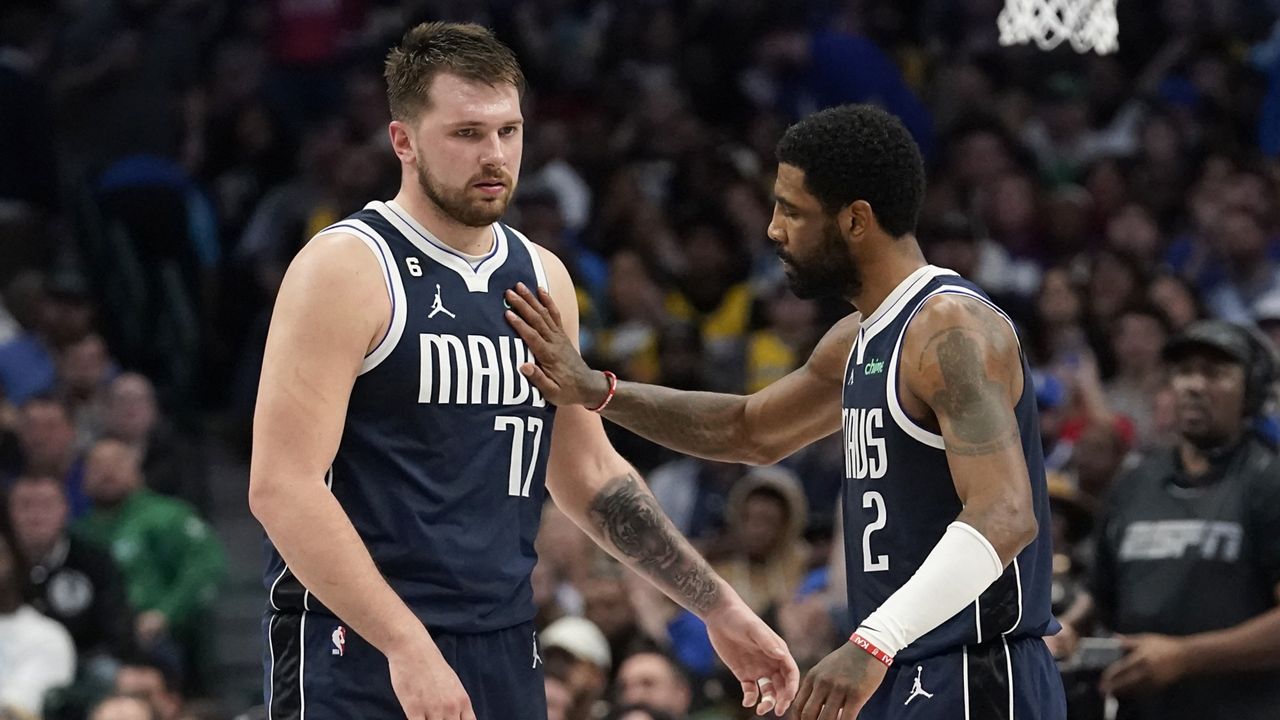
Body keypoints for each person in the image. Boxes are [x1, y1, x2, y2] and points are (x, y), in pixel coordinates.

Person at [248, 21, 797, 720]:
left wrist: (719, 607)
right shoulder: (347, 268)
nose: (495, 155)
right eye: (467, 133)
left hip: (502, 640)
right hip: (358, 642)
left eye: (509, 131)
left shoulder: (541, 277)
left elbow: (589, 475)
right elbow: (281, 487)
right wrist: (406, 646)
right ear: (404, 141)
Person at [505, 103, 1065, 719]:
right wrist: (599, 390)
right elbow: (748, 430)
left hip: (978, 668)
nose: (773, 229)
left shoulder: (948, 327)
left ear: (855, 220)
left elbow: (1007, 514)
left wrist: (872, 643)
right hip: (902, 662)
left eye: (791, 210)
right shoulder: (859, 338)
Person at [1055, 320, 1280, 720]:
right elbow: (1100, 593)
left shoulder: (1268, 482)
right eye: (1183, 372)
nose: (1194, 385)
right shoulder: (1135, 484)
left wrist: (1186, 657)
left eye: (1215, 373)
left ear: (1253, 391)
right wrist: (1069, 629)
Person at [7, 473, 134, 662]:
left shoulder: (95, 561)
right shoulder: (3, 565)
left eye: (46, 505)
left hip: (85, 662)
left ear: (65, 510)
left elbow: (115, 630)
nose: (35, 516)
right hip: (13, 662)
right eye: (25, 506)